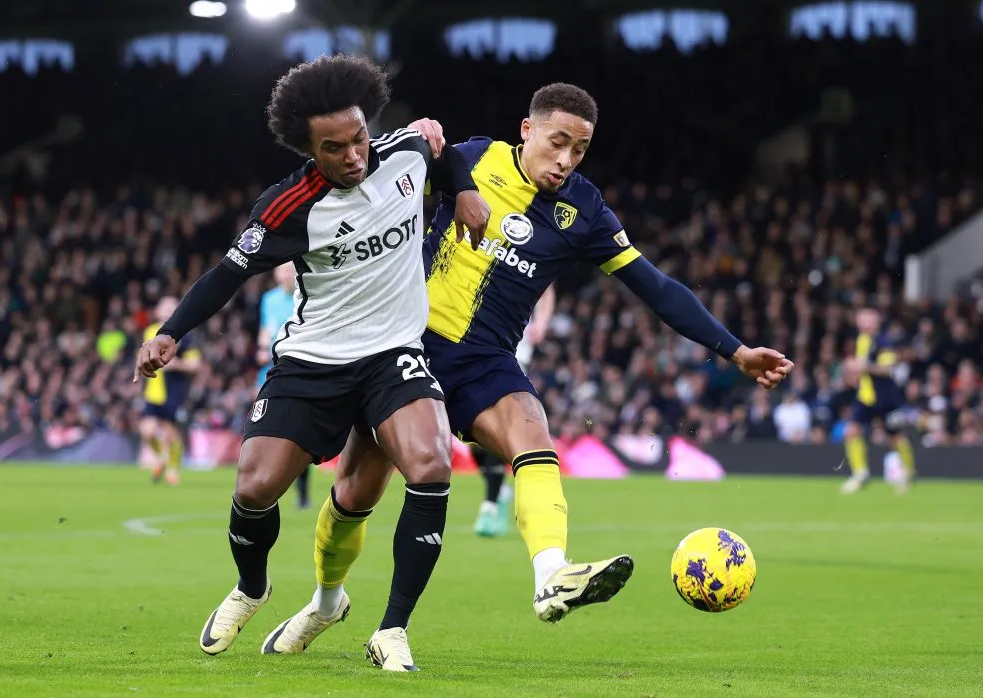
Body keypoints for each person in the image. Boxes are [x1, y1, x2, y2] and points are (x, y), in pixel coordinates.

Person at [283, 82, 794, 664]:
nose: (566, 160)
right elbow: (377, 182)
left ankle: (548, 575)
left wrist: (734, 350)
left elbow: (655, 287)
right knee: (355, 491)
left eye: (580, 150)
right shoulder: (472, 159)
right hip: (406, 347)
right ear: (526, 130)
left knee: (533, 433)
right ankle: (326, 602)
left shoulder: (585, 211)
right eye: (557, 143)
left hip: (485, 362)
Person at [133, 55, 489, 667]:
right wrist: (172, 333)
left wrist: (464, 188)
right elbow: (227, 272)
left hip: (393, 354)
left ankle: (393, 628)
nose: (354, 156)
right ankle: (252, 587)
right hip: (313, 360)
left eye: (358, 139)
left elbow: (442, 149)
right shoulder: (287, 207)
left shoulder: (403, 154)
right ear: (308, 150)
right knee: (256, 484)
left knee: (430, 466)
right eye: (335, 148)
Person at [473, 284, 555, 537]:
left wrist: (541, 321)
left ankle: (490, 504)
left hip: (512, 351)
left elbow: (547, 287)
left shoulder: (524, 247)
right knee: (472, 429)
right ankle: (498, 489)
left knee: (499, 417)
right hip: (474, 345)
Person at [840, 308, 915, 494]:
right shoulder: (861, 340)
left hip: (885, 398)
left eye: (866, 318)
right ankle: (860, 473)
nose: (861, 321)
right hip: (866, 397)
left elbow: (887, 369)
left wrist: (864, 366)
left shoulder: (884, 342)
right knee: (851, 431)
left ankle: (908, 472)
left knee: (895, 437)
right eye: (860, 318)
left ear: (875, 322)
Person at [255, 262, 311, 509]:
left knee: (301, 433)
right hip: (271, 370)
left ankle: (301, 491)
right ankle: (265, 487)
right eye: (282, 270)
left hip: (300, 369)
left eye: (290, 270)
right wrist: (260, 346)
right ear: (275, 274)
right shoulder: (268, 299)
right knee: (267, 430)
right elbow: (265, 330)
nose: (286, 274)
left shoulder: (307, 292)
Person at [139, 295, 201, 485]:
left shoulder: (185, 335)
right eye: (164, 307)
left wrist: (177, 364)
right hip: (153, 390)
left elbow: (195, 364)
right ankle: (162, 459)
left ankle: (172, 470)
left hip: (174, 390)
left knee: (170, 434)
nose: (167, 311)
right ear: (157, 311)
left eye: (172, 308)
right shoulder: (149, 331)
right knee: (147, 431)